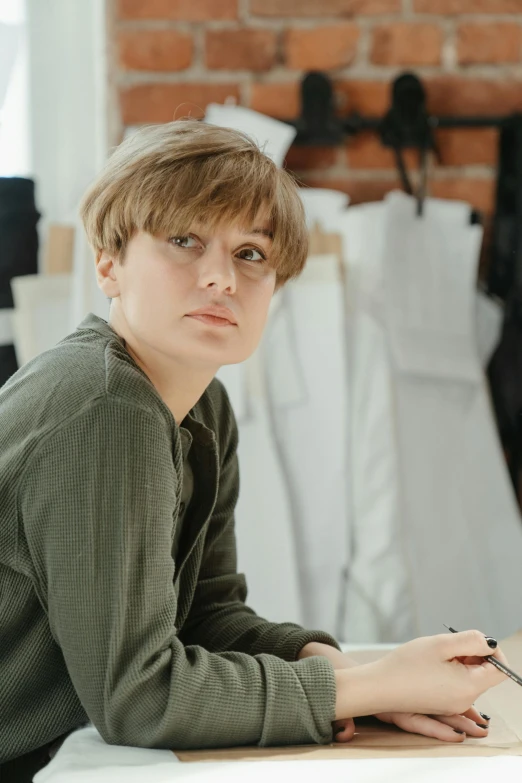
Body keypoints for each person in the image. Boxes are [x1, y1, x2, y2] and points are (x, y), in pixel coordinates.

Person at [0, 119, 508, 780]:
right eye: (184, 240)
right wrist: (372, 688)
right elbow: (139, 696)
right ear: (108, 263)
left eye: (251, 254)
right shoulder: (104, 406)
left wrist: (365, 677)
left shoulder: (200, 405)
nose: (222, 278)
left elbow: (207, 616)